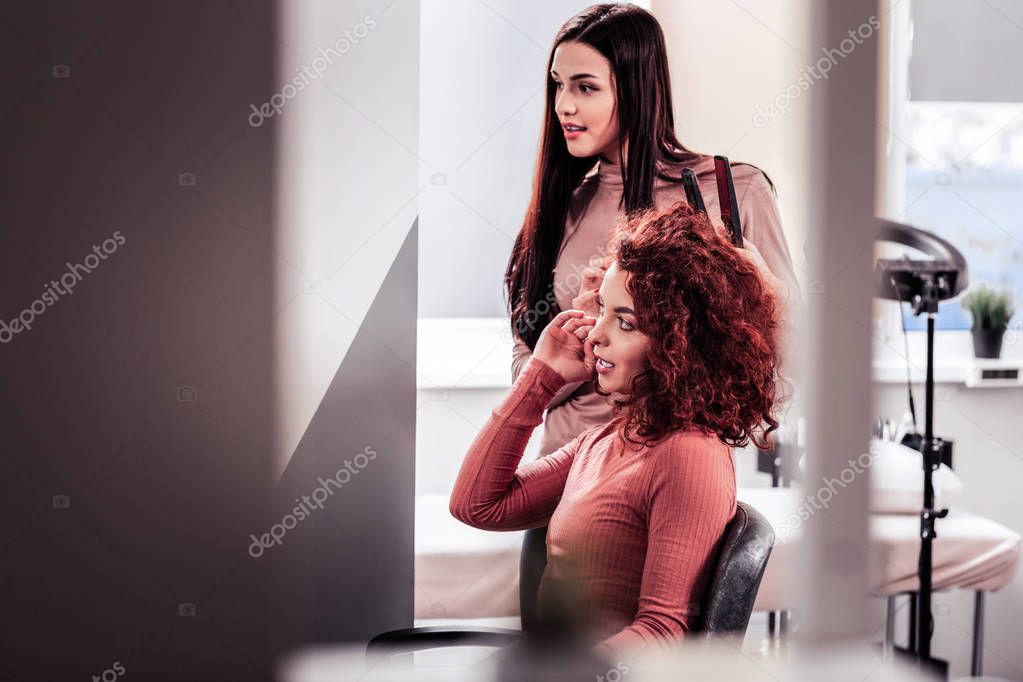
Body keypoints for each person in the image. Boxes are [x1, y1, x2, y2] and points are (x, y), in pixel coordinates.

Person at [503, 2, 801, 625]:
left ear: (637, 86)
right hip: (566, 494)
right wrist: (585, 347)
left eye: (585, 87)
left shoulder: (731, 192)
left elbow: (785, 359)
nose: (564, 105)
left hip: (667, 499)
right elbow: (527, 374)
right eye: (557, 85)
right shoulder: (560, 208)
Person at [452, 201, 783, 659]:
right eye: (603, 309)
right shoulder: (612, 437)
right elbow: (476, 505)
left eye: (625, 322)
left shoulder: (689, 454)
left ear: (679, 344)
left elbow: (663, 632)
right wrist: (541, 376)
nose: (595, 335)